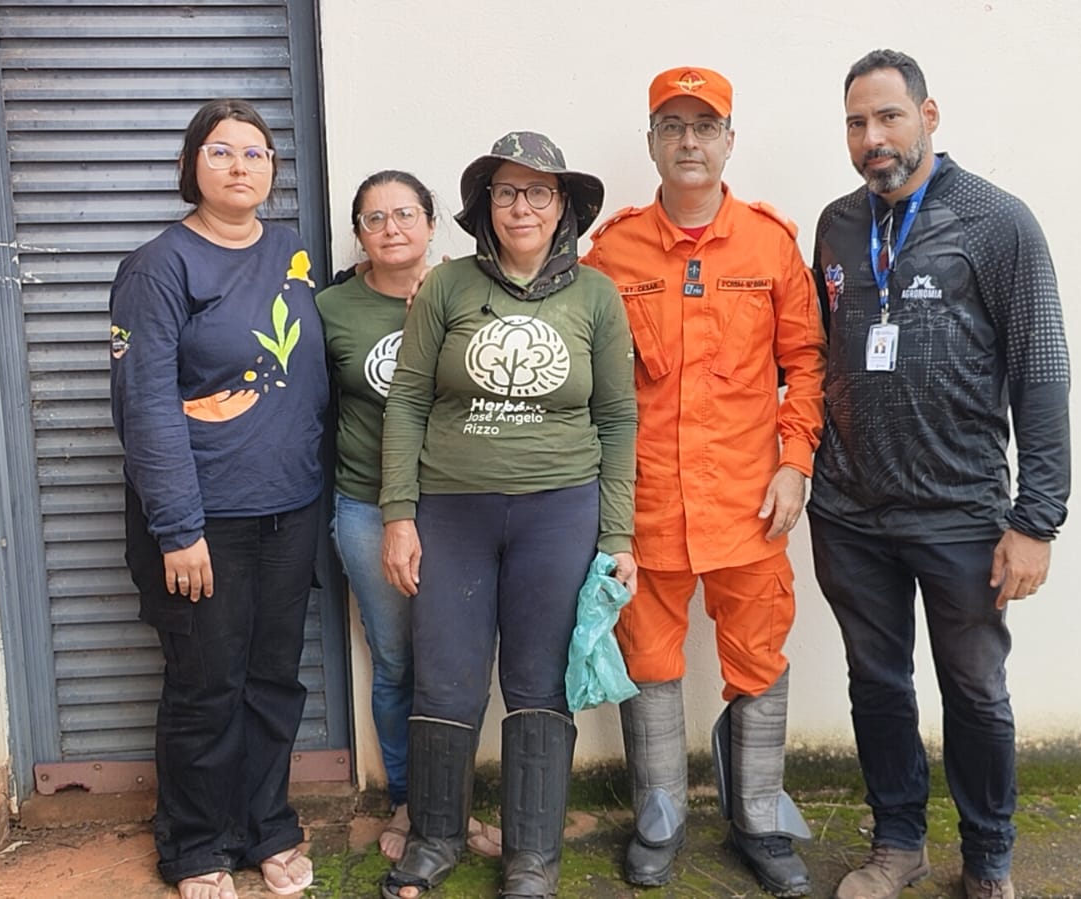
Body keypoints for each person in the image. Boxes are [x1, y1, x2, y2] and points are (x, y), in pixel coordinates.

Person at [808, 50, 1071, 899]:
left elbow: (1041, 367)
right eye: (856, 122)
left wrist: (1036, 518)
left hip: (960, 511)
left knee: (973, 690)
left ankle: (987, 858)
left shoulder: (997, 222)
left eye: (888, 116)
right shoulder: (836, 225)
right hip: (849, 508)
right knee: (877, 684)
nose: (872, 137)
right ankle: (896, 844)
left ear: (928, 114)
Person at [583, 67, 827, 897]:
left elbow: (806, 363)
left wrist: (795, 463)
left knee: (756, 655)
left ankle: (756, 810)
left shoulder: (768, 244)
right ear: (651, 140)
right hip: (647, 502)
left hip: (748, 502)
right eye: (672, 125)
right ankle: (659, 810)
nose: (689, 140)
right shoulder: (610, 250)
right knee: (646, 657)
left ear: (729, 139)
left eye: (705, 125)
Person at [377, 132, 638, 899]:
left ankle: (531, 856)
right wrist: (399, 515)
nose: (521, 206)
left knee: (536, 681)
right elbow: (408, 404)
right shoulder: (446, 288)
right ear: (483, 207)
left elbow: (618, 418)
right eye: (505, 192)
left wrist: (617, 532)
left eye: (538, 192)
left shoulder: (596, 295)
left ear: (563, 208)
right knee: (447, 676)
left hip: (559, 512)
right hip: (451, 511)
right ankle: (433, 836)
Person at [109, 98, 327, 899]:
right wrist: (177, 528)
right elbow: (146, 404)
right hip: (202, 521)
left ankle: (267, 827)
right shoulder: (160, 266)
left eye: (257, 153)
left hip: (290, 509)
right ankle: (196, 845)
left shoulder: (293, 254)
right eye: (223, 152)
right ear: (191, 164)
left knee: (273, 679)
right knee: (205, 686)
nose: (242, 167)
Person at [313, 171, 502, 863]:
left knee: (453, 666)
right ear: (358, 233)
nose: (391, 228)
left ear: (431, 223)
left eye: (405, 214)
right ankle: (409, 800)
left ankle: (453, 806)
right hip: (367, 505)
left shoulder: (472, 290)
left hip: (458, 505)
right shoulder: (332, 307)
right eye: (373, 218)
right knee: (396, 662)